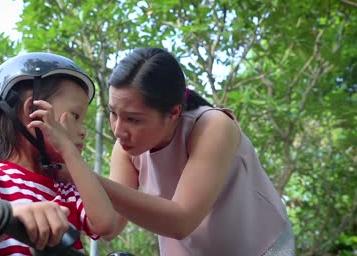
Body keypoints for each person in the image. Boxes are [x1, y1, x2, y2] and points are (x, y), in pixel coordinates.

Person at [97, 47, 295, 255]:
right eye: (113, 113)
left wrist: (89, 178)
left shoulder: (214, 126)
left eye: (133, 119)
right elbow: (110, 224)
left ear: (174, 112)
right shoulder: (127, 147)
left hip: (260, 247)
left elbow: (181, 221)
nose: (118, 130)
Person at [0, 52, 115, 255]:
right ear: (33, 110)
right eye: (75, 115)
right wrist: (13, 215)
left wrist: (68, 150)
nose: (83, 130)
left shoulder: (65, 188)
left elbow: (106, 224)